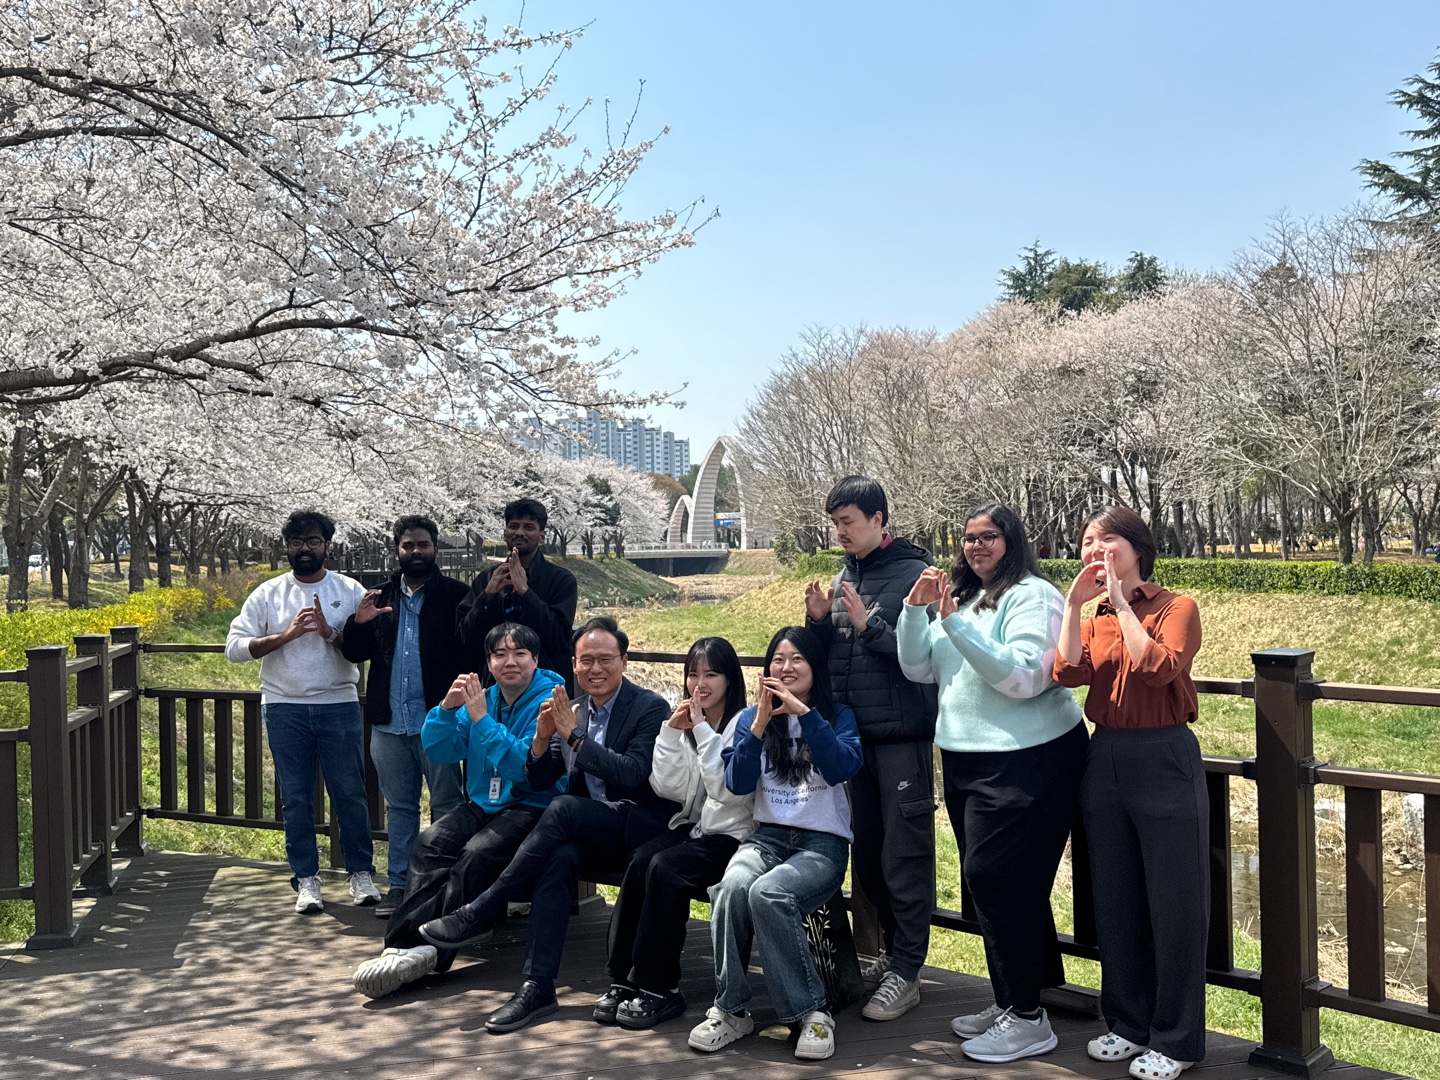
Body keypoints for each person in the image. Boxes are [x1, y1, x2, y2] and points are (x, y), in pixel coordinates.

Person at [416, 616, 676, 1034]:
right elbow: (538, 778)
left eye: (605, 659)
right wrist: (541, 740)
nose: (595, 668)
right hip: (587, 829)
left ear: (624, 661)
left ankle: (482, 908)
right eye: (586, 660)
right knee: (558, 859)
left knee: (561, 808)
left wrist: (574, 738)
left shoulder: (649, 707)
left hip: (636, 827)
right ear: (574, 665)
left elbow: (631, 774)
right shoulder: (572, 709)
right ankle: (537, 987)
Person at [896, 502, 1086, 1064]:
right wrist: (915, 611)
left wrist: (952, 622)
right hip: (966, 758)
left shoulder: (1034, 596)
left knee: (996, 878)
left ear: (1012, 541)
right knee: (995, 883)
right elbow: (917, 668)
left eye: (989, 536)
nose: (976, 546)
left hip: (1029, 758)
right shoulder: (966, 598)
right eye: (969, 537)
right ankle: (1015, 999)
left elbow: (1025, 677)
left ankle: (1028, 1018)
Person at [1055, 506, 1206, 1080]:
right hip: (1106, 754)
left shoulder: (1176, 607)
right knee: (1114, 896)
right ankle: (1127, 1023)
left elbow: (1156, 668)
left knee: (1175, 902)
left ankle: (1177, 1039)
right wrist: (1074, 606)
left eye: (1105, 540)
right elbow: (1067, 672)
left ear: (1137, 546)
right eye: (1086, 542)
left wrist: (1121, 603)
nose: (1094, 550)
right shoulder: (1093, 616)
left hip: (1163, 754)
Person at [351, 622, 565, 999]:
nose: (509, 662)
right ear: (489, 662)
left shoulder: (549, 702)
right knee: (429, 843)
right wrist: (447, 711)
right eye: (500, 654)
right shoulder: (486, 697)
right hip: (482, 803)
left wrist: (482, 720)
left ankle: (432, 949)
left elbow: (526, 768)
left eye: (519, 654)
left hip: (532, 806)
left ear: (535, 660)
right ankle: (403, 945)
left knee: (476, 854)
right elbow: (441, 751)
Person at [689, 626, 862, 1063]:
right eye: (778, 660)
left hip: (822, 844)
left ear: (814, 667)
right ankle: (731, 1009)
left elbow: (841, 767)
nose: (786, 668)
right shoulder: (752, 718)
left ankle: (812, 1012)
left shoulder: (837, 715)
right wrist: (759, 726)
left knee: (769, 892)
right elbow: (736, 783)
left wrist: (806, 715)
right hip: (768, 837)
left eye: (797, 659)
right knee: (732, 888)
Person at [803, 475, 937, 1021]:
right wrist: (818, 623)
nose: (840, 532)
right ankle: (890, 957)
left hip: (902, 740)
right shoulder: (843, 577)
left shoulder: (915, 577)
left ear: (879, 520)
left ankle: (908, 971)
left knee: (906, 857)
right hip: (855, 743)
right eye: (835, 523)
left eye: (848, 522)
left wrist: (870, 626)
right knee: (871, 857)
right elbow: (834, 661)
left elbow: (926, 660)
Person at [224, 510, 378, 914]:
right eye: (296, 542)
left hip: (339, 704)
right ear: (287, 547)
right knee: (295, 797)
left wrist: (330, 633)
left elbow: (366, 647)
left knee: (350, 793)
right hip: (284, 706)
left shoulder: (349, 589)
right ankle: (306, 879)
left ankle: (361, 873)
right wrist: (286, 636)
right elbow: (233, 648)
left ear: (327, 545)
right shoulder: (268, 593)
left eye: (313, 541)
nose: (304, 549)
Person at [597, 636, 754, 1030]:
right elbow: (668, 788)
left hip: (735, 836)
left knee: (667, 868)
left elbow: (727, 791)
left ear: (730, 679)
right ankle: (623, 977)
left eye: (711, 675)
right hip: (697, 829)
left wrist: (701, 731)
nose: (700, 684)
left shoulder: (743, 723)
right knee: (640, 860)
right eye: (692, 674)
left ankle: (660, 986)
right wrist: (671, 732)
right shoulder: (690, 721)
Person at [340, 515, 468, 916]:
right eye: (408, 545)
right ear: (397, 549)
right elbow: (354, 652)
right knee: (400, 808)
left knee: (447, 804)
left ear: (435, 548)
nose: (415, 552)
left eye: (423, 545)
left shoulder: (456, 595)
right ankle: (400, 886)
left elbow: (470, 649)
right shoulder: (379, 597)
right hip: (389, 721)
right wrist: (358, 624)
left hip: (438, 721)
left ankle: (443, 885)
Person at [457, 498, 578, 692]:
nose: (520, 533)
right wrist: (487, 596)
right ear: (505, 533)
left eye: (529, 527)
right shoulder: (487, 579)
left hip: (546, 688)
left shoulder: (561, 580)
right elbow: (465, 637)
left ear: (541, 536)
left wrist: (526, 593)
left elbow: (558, 637)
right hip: (493, 688)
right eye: (514, 526)